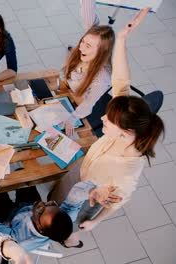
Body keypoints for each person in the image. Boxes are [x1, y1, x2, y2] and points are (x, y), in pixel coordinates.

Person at [50, 7, 165, 246]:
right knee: (60, 191)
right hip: (83, 168)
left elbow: (118, 201)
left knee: (70, 218)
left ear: (125, 132)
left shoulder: (128, 170)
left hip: (90, 194)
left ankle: (68, 237)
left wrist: (96, 221)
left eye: (108, 121)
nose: (102, 119)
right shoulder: (124, 114)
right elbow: (121, 80)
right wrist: (122, 39)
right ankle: (54, 199)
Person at [0, 179, 121, 251]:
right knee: (21, 176)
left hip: (10, 218)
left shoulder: (19, 239)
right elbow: (74, 197)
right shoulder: (63, 215)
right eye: (51, 205)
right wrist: (91, 191)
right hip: (25, 209)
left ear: (39, 226)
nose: (42, 204)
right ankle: (68, 241)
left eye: (41, 210)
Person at [60, 0, 115, 136]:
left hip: (83, 103)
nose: (81, 48)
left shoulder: (102, 78)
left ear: (102, 52)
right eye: (83, 41)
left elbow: (88, 104)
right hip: (69, 89)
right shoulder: (92, 39)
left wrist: (72, 118)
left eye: (88, 46)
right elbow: (87, 11)